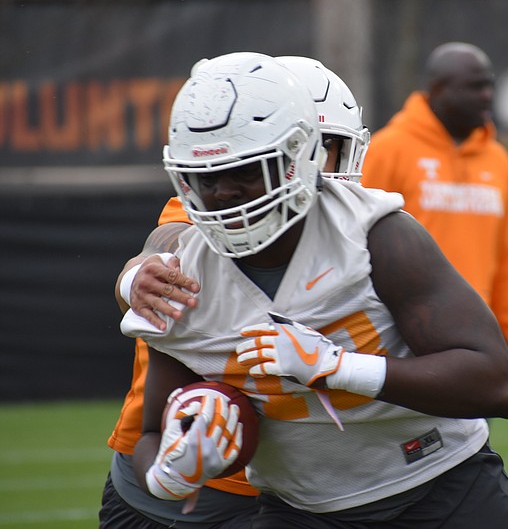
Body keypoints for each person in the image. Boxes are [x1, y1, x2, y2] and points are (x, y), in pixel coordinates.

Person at [120, 52, 508, 528]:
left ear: (298, 157)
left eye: (247, 170)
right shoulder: (183, 277)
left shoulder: (376, 234)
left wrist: (337, 367)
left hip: (441, 487)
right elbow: (152, 433)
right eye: (205, 177)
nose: (223, 192)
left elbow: (497, 385)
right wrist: (168, 473)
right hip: (304, 510)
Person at [100, 56, 371, 528]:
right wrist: (135, 277)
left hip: (294, 485)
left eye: (326, 146)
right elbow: (159, 254)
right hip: (166, 454)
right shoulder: (219, 208)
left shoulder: (364, 226)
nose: (316, 162)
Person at [360, 42, 508, 418]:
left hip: (470, 351)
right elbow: (350, 247)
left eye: (490, 85)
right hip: (397, 346)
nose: (487, 96)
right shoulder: (387, 150)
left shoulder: (499, 162)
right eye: (475, 86)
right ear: (439, 90)